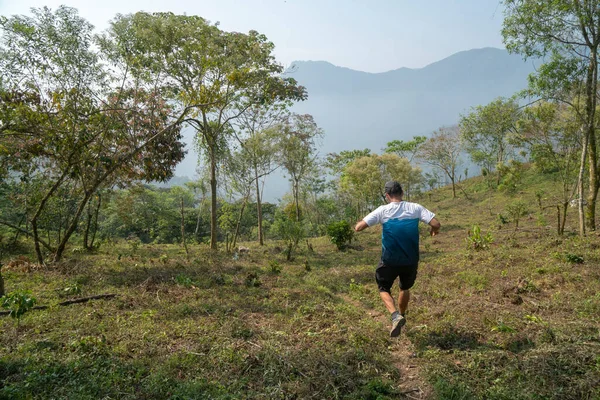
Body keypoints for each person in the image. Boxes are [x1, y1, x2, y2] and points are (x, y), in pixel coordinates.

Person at [354, 181, 440, 337]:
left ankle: (395, 315)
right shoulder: (416, 208)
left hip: (389, 260)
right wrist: (434, 230)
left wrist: (359, 223)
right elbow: (436, 223)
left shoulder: (383, 210)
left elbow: (359, 228)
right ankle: (402, 314)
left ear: (387, 196)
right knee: (404, 288)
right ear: (402, 193)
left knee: (383, 288)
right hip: (411, 260)